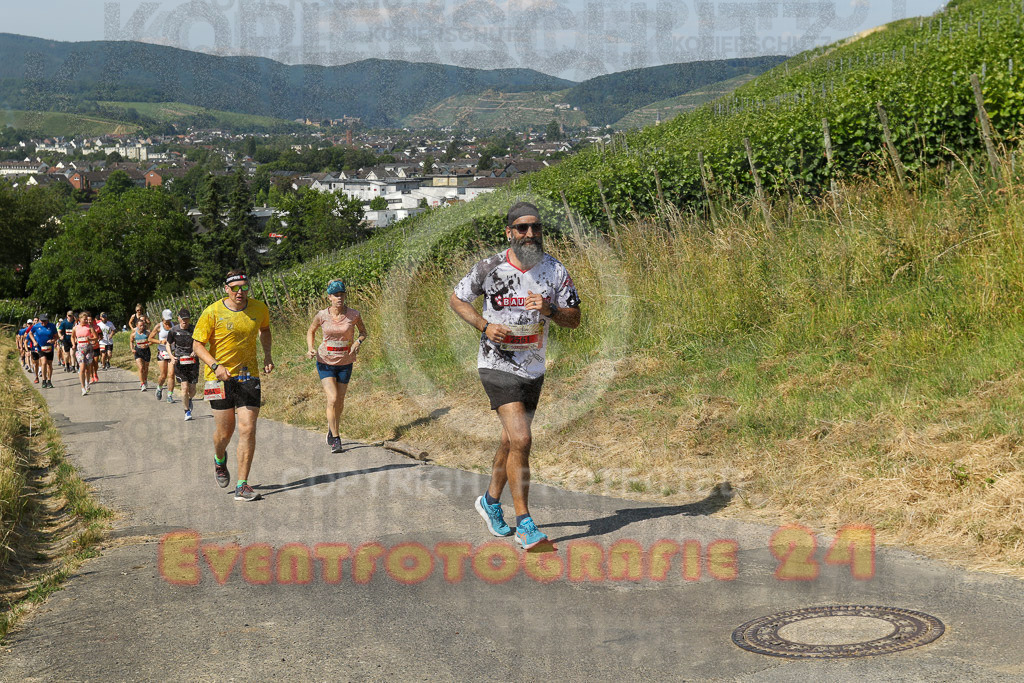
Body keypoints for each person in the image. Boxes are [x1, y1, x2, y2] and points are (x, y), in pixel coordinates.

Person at [450, 201, 581, 550]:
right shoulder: (489, 267)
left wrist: (551, 310)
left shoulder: (555, 271)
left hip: (533, 367)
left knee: (510, 441)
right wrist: (483, 324)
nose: (530, 234)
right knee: (522, 440)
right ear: (509, 232)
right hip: (496, 363)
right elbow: (457, 299)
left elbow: (575, 318)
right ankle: (525, 523)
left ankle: (490, 502)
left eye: (535, 227)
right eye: (522, 228)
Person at [192, 270, 274, 502]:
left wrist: (267, 355)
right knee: (224, 433)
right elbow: (198, 345)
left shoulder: (259, 309)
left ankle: (242, 484)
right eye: (235, 288)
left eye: (244, 287)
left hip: (248, 376)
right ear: (226, 289)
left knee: (247, 428)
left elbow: (265, 330)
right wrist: (215, 365)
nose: (240, 292)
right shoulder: (212, 312)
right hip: (216, 378)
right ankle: (219, 459)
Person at [306, 280, 368, 453]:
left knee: (339, 402)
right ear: (329, 297)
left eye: (342, 294)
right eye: (335, 295)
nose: (339, 298)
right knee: (332, 398)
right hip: (325, 361)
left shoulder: (354, 314)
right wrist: (311, 349)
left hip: (345, 362)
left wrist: (357, 342)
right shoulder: (322, 315)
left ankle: (331, 428)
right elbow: (311, 331)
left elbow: (364, 332)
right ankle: (336, 438)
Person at [167, 308, 199, 421]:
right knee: (184, 387)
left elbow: (200, 342)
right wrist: (171, 356)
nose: (185, 321)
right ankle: (187, 411)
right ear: (178, 318)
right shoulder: (173, 330)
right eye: (183, 319)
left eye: (187, 319)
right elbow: (168, 344)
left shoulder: (194, 329)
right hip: (180, 362)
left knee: (193, 390)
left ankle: (190, 399)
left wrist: (195, 350)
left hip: (193, 361)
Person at [29, 313, 59, 388]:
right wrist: (34, 341)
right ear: (39, 320)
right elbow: (30, 333)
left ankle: (49, 381)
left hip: (49, 348)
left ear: (47, 320)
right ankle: (44, 380)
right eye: (42, 321)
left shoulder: (52, 326)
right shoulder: (36, 326)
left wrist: (53, 340)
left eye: (45, 321)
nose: (43, 323)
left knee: (49, 364)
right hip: (40, 347)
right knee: (44, 362)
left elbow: (56, 336)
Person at [72, 311, 97, 396]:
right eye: (85, 319)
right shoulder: (76, 328)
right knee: (82, 368)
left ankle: (87, 383)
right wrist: (73, 344)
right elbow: (72, 337)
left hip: (89, 349)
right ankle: (83, 388)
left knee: (88, 367)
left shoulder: (89, 327)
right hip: (80, 350)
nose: (86, 320)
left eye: (87, 319)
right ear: (80, 319)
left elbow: (96, 337)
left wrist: (91, 340)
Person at [131, 318, 152, 391]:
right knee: (141, 368)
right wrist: (132, 349)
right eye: (140, 326)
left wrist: (147, 344)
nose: (142, 327)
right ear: (137, 326)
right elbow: (131, 341)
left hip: (146, 351)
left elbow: (152, 341)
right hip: (138, 351)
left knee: (146, 368)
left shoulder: (147, 333)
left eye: (143, 325)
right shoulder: (134, 334)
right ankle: (142, 384)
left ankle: (145, 379)